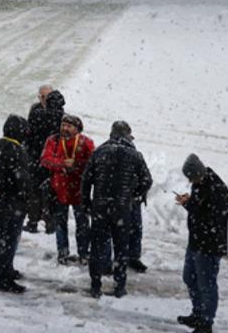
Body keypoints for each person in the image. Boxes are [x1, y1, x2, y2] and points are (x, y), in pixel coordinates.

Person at [82, 121, 152, 299]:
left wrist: (86, 202)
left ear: (111, 133)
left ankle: (95, 285)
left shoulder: (99, 152)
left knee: (97, 248)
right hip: (122, 209)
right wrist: (132, 195)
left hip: (100, 207)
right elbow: (147, 180)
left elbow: (86, 180)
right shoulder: (135, 154)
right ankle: (119, 286)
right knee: (121, 248)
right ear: (127, 135)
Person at [175, 154, 228, 333]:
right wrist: (190, 201)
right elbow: (199, 207)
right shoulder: (200, 183)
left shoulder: (216, 189)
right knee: (189, 277)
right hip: (197, 241)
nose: (190, 181)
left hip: (209, 244)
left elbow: (207, 217)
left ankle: (206, 322)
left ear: (198, 172)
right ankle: (198, 313)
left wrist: (188, 204)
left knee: (207, 284)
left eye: (191, 177)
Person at [0, 114, 31, 294]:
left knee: (2, 238)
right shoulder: (18, 151)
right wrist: (28, 200)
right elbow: (22, 181)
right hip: (13, 204)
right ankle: (4, 279)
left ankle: (7, 269)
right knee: (10, 240)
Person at [40, 114, 95, 265]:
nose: (64, 128)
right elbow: (45, 159)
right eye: (63, 125)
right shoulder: (53, 140)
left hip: (79, 191)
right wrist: (62, 164)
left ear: (77, 129)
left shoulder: (86, 142)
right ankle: (62, 252)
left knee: (82, 224)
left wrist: (76, 165)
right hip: (59, 189)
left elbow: (93, 163)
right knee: (60, 223)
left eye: (69, 126)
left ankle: (84, 253)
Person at [23, 87, 65, 234]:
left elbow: (29, 134)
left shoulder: (37, 114)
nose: (42, 100)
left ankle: (39, 221)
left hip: (40, 158)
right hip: (49, 159)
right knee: (45, 192)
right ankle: (45, 222)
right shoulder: (63, 118)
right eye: (41, 96)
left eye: (44, 97)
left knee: (39, 191)